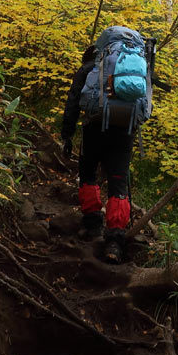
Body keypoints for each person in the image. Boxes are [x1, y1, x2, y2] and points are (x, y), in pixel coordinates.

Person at [61, 27, 167, 264]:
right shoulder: (139, 69)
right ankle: (115, 242)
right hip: (125, 131)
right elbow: (145, 106)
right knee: (119, 182)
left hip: (94, 128)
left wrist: (66, 135)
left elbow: (73, 102)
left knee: (88, 173)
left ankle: (92, 227)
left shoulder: (91, 68)